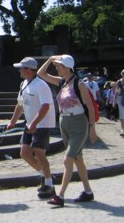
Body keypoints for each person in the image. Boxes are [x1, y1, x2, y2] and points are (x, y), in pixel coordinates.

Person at [37, 55, 97, 207]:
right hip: (65, 122)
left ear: (69, 67)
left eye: (60, 66)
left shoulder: (79, 83)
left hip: (78, 123)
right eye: (57, 66)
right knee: (78, 159)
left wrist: (92, 128)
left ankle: (60, 195)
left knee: (68, 159)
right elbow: (41, 74)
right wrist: (50, 59)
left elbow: (89, 106)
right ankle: (88, 192)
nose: (58, 68)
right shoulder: (62, 82)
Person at [6, 57, 56, 199]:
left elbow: (45, 106)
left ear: (29, 70)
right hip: (30, 123)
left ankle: (49, 184)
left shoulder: (41, 85)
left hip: (42, 123)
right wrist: (13, 121)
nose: (19, 70)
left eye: (21, 68)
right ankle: (46, 176)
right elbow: (20, 104)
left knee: (40, 153)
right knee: (25, 153)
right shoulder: (24, 84)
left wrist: (34, 123)